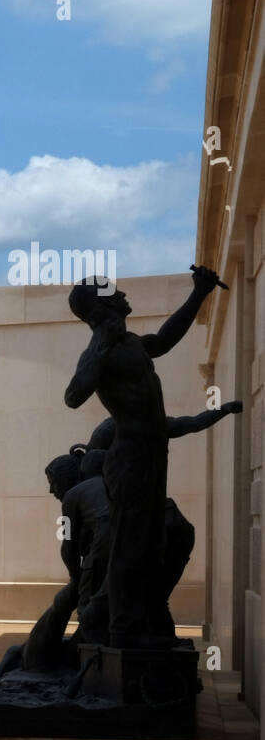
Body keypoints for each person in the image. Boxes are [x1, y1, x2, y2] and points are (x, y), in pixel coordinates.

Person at [65, 268, 221, 647]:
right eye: (114, 294)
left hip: (152, 454)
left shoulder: (131, 344)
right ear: (101, 307)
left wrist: (199, 293)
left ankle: (142, 622)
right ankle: (123, 630)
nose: (123, 297)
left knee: (150, 542)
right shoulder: (101, 349)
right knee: (129, 543)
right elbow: (73, 395)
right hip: (130, 459)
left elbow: (166, 339)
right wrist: (100, 342)